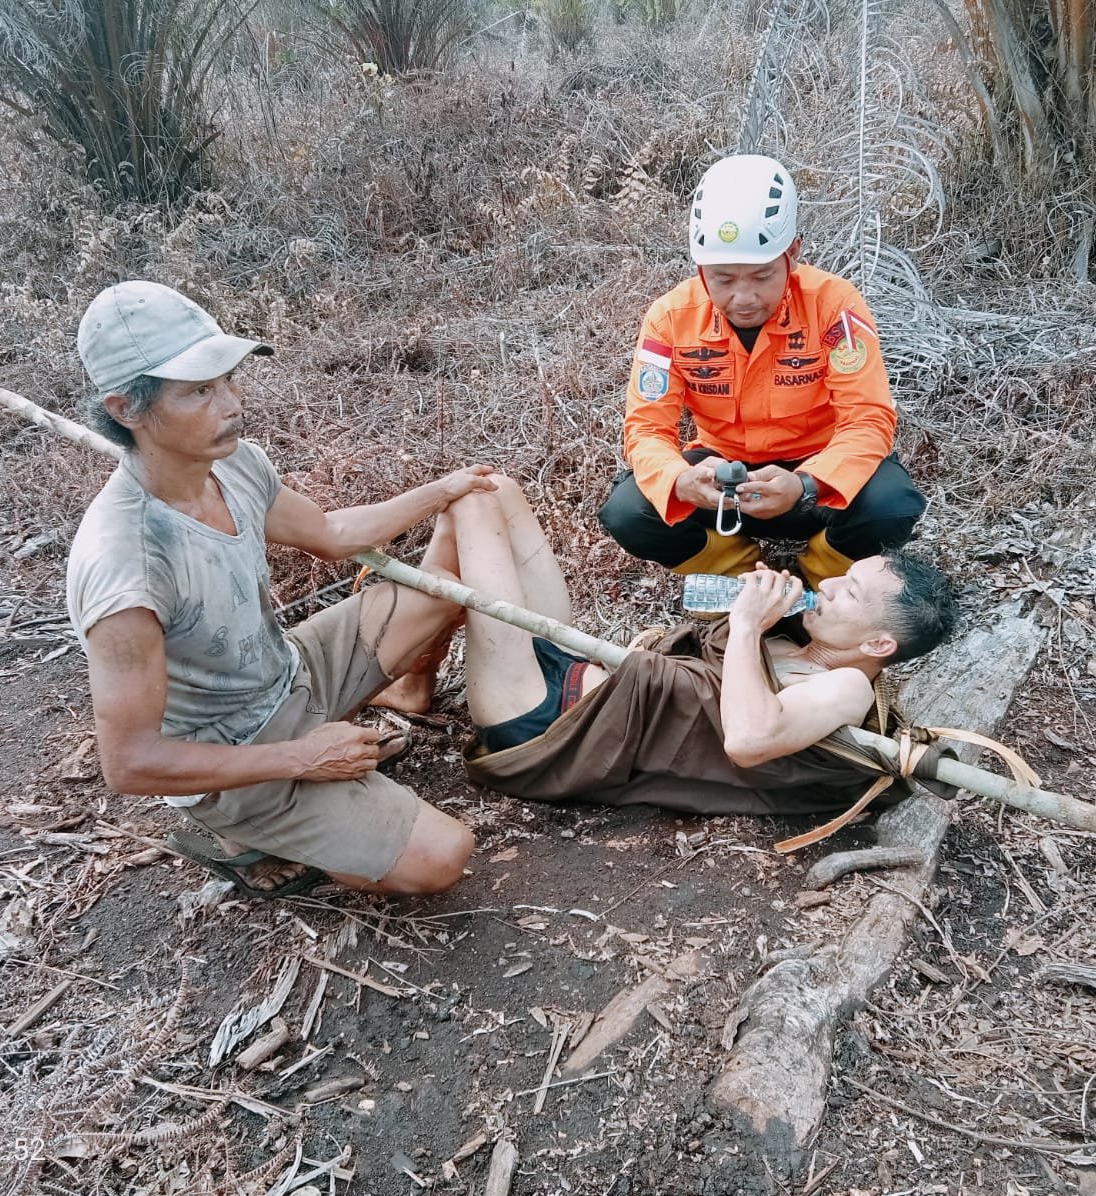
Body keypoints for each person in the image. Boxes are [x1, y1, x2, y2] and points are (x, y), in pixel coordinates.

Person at [66, 280, 498, 897]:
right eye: (199, 391)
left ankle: (396, 699)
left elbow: (330, 532)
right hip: (233, 755)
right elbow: (130, 762)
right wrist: (303, 758)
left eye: (228, 380)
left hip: (287, 672)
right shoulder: (126, 565)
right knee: (442, 858)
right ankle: (239, 835)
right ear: (125, 410)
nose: (231, 404)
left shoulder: (232, 463)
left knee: (442, 591)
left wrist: (440, 491)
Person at [450, 476, 958, 814]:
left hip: (552, 725)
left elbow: (749, 740)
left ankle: (415, 669)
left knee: (473, 504)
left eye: (850, 592)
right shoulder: (798, 636)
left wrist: (746, 626)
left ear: (878, 643)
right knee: (494, 489)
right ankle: (416, 676)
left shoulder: (849, 687)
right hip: (575, 671)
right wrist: (758, 618)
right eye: (843, 575)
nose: (828, 584)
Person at [598, 154, 928, 589]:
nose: (744, 298)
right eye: (723, 279)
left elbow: (868, 419)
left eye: (762, 276)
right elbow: (646, 428)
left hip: (816, 476)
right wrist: (681, 481)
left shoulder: (834, 306)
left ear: (793, 253)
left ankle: (819, 579)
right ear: (700, 268)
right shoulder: (669, 318)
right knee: (628, 512)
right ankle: (737, 575)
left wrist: (806, 485)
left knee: (892, 505)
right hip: (721, 481)